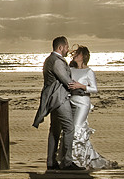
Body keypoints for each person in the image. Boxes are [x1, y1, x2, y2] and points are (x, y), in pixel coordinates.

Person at [33, 36, 85, 171]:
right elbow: (67, 81)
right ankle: (67, 162)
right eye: (67, 47)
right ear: (60, 47)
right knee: (69, 127)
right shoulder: (56, 61)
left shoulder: (50, 60)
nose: (68, 50)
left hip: (53, 99)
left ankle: (51, 161)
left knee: (55, 129)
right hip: (59, 99)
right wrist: (82, 88)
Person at [68, 45, 116, 170]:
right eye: (75, 54)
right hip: (71, 101)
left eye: (77, 54)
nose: (75, 56)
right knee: (71, 130)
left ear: (83, 56)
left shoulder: (89, 71)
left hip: (83, 102)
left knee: (77, 128)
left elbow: (94, 89)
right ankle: (82, 157)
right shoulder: (70, 70)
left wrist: (81, 86)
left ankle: (78, 161)